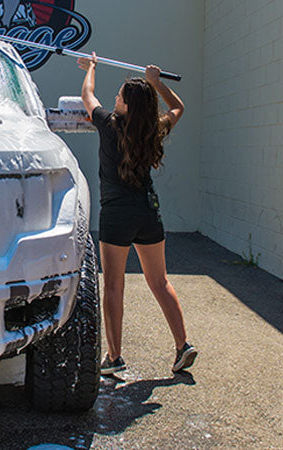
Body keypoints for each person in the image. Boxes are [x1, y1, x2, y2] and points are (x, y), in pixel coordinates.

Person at [77, 52, 197, 374]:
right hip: (147, 212)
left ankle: (114, 358)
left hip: (116, 216)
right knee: (159, 281)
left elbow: (87, 94)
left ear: (128, 106)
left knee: (113, 286)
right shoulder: (154, 129)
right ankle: (183, 345)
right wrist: (156, 83)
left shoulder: (108, 124)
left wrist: (91, 68)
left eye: (120, 96)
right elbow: (178, 107)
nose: (115, 99)